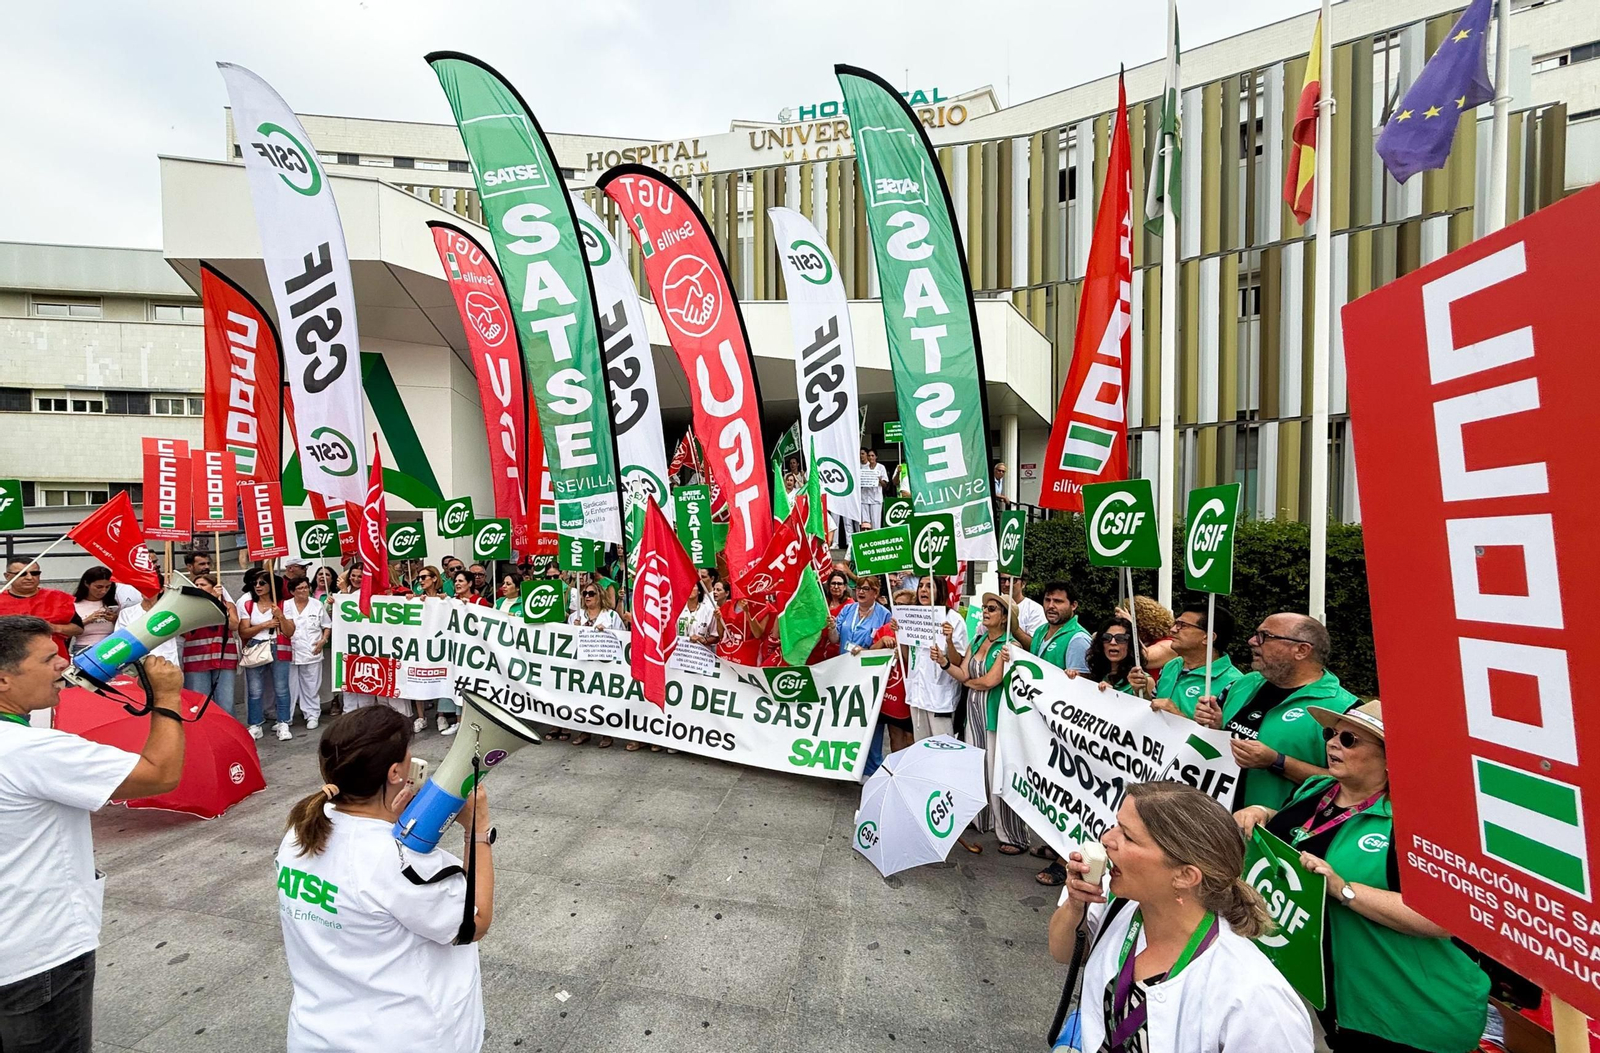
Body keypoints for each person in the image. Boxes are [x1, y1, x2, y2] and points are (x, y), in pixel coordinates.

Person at [1237, 702, 1488, 1052]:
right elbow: (1309, 835)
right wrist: (1262, 811)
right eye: (1331, 733)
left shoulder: (1416, 822)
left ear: (1391, 758)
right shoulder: (1316, 788)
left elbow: (1444, 918)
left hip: (1407, 1011)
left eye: (1349, 739)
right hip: (1331, 996)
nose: (1332, 743)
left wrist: (1344, 890)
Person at [0, 617, 186, 1053]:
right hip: (37, 954)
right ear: (3, 680)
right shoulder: (28, 749)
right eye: (48, 659)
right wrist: (167, 696)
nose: (62, 665)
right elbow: (160, 774)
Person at [278, 706, 491, 1053]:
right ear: (395, 773)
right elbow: (475, 921)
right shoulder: (398, 860)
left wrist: (387, 819)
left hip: (316, 1034)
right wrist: (477, 829)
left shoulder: (301, 829)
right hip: (407, 1037)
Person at [1048, 782, 1312, 1053]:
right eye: (1116, 825)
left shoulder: (1257, 999)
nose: (1106, 839)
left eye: (1127, 836)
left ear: (1185, 876)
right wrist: (1075, 906)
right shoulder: (1119, 902)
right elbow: (1062, 952)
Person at [1193, 613, 1358, 810]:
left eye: (1265, 636)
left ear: (1301, 650)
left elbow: (1355, 785)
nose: (1252, 641)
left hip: (1277, 826)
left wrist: (1278, 762)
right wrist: (1216, 727)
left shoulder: (1343, 709)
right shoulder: (1245, 683)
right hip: (1218, 817)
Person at [945, 593, 1029, 855]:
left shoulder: (1010, 645)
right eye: (984, 607)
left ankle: (1013, 834)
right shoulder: (979, 639)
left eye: (992, 608)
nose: (985, 611)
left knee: (999, 772)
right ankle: (980, 818)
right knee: (977, 767)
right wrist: (945, 662)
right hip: (973, 713)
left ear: (1004, 617)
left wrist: (968, 682)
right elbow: (963, 671)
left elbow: (991, 680)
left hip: (995, 714)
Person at [1134, 602, 1242, 717]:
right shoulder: (1172, 665)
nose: (1173, 630)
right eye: (1176, 623)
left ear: (1208, 637)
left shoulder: (1234, 683)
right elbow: (1156, 708)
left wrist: (1177, 716)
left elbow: (1228, 728)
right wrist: (1143, 692)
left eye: (1183, 625)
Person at [238, 566, 294, 741]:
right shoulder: (248, 605)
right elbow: (243, 632)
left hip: (279, 645)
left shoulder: (284, 604)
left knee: (281, 688)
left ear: (272, 585)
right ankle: (255, 724)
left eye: (262, 583)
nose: (257, 586)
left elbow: (290, 631)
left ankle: (283, 722)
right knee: (254, 690)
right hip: (256, 646)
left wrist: (281, 616)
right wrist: (265, 625)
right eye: (255, 583)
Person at [910, 577, 967, 741]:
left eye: (929, 586)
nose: (923, 590)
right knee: (921, 747)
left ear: (940, 591)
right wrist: (899, 633)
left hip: (940, 699)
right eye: (921, 586)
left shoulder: (953, 619)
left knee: (943, 748)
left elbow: (959, 662)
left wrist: (949, 641)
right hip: (917, 696)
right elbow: (909, 658)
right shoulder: (913, 617)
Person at [566, 580, 621, 747]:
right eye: (585, 594)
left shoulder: (611, 616)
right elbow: (567, 641)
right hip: (583, 665)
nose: (587, 596)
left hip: (605, 665)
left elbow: (622, 638)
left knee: (605, 699)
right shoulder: (575, 616)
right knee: (584, 698)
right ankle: (585, 731)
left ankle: (607, 734)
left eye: (591, 593)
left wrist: (608, 632)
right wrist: (574, 629)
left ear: (600, 595)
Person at [181, 573, 240, 719]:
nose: (198, 587)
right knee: (199, 703)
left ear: (214, 587)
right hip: (197, 659)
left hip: (224, 658)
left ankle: (227, 731)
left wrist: (218, 604)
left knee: (226, 703)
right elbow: (185, 631)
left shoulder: (227, 604)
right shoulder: (188, 607)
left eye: (203, 585)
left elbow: (234, 625)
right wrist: (208, 603)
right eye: (196, 585)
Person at [0, 558, 81, 658]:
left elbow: (78, 628)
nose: (29, 577)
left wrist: (54, 628)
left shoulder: (58, 598)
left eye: (35, 573)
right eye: (21, 574)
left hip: (52, 659)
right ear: (7, 576)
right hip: (10, 660)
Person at [283, 578, 331, 731]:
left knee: (311, 686)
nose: (304, 591)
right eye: (300, 588)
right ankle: (286, 718)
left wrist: (323, 640)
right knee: (289, 687)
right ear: (292, 591)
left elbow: (327, 625)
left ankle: (312, 715)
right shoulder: (285, 605)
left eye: (306, 587)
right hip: (290, 651)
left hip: (312, 650)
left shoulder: (316, 604)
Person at [1016, 580, 1092, 674]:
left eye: (1058, 601)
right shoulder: (1039, 631)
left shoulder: (1079, 639)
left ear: (1073, 605)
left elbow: (1082, 681)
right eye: (1047, 600)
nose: (1050, 606)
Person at [113, 587, 182, 666]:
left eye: (152, 588)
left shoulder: (170, 611)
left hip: (167, 662)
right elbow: (121, 640)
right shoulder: (126, 613)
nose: (147, 591)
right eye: (145, 586)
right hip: (138, 664)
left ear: (161, 589)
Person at [70, 567, 121, 656]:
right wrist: (88, 620)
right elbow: (68, 631)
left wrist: (115, 620)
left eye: (107, 587)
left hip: (110, 647)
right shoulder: (74, 604)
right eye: (99, 587)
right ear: (86, 584)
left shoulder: (114, 603)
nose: (103, 591)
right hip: (84, 647)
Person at [1082, 616, 1139, 693]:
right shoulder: (1097, 676)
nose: (1112, 642)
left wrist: (1111, 694)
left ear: (1130, 644)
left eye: (1121, 638)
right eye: (1106, 637)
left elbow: (1146, 696)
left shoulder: (1140, 679)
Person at [858, 448, 885, 529]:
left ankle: (876, 536)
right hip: (864, 498)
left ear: (876, 457)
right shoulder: (863, 469)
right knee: (865, 523)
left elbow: (885, 485)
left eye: (872, 456)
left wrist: (879, 480)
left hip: (876, 499)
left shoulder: (881, 467)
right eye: (869, 456)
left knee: (875, 523)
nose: (871, 457)